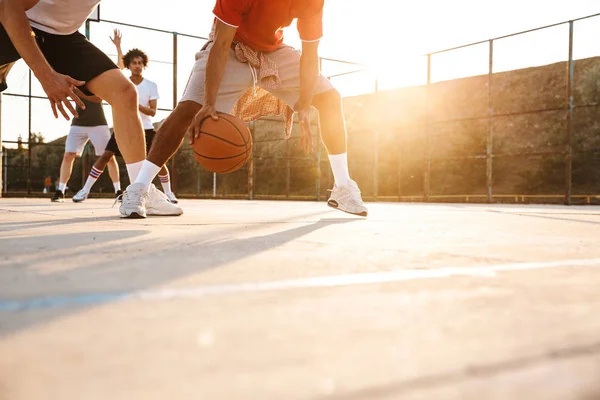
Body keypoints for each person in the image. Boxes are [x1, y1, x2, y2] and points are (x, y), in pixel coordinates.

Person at [120, 0, 368, 217]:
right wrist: (208, 103)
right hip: (229, 48)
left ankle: (343, 188)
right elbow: (221, 43)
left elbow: (310, 53)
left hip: (272, 52)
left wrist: (304, 102)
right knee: (188, 110)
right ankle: (139, 189)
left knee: (330, 98)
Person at [0, 0, 181, 217]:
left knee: (124, 92)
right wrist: (46, 76)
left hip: (62, 36)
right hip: (12, 21)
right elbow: (9, 6)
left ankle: (139, 190)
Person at [74, 30, 179, 203]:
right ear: (129, 65)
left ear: (143, 65)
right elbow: (118, 66)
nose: (137, 65)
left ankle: (169, 193)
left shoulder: (151, 86)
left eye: (140, 63)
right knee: (105, 157)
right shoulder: (123, 82)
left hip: (146, 129)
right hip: (124, 128)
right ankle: (84, 191)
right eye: (134, 63)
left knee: (158, 161)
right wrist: (118, 46)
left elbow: (153, 112)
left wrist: (132, 105)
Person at [51, 97, 121, 202]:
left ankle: (118, 191)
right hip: (78, 123)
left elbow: (97, 97)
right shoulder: (75, 81)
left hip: (99, 123)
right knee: (68, 155)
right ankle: (60, 191)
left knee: (109, 157)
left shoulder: (98, 81)